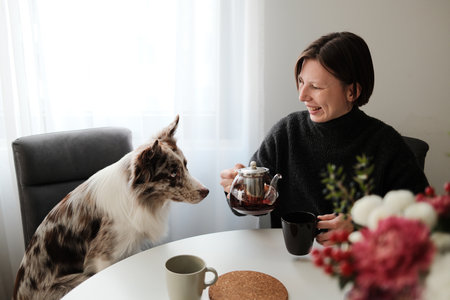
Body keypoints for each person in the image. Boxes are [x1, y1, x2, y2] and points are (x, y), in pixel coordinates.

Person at [219, 32, 428, 246]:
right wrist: (238, 191)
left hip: (357, 265)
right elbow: (253, 207)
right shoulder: (286, 133)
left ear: (352, 91)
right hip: (291, 260)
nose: (302, 96)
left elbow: (423, 222)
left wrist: (361, 228)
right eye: (301, 82)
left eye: (316, 87)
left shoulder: (386, 144)